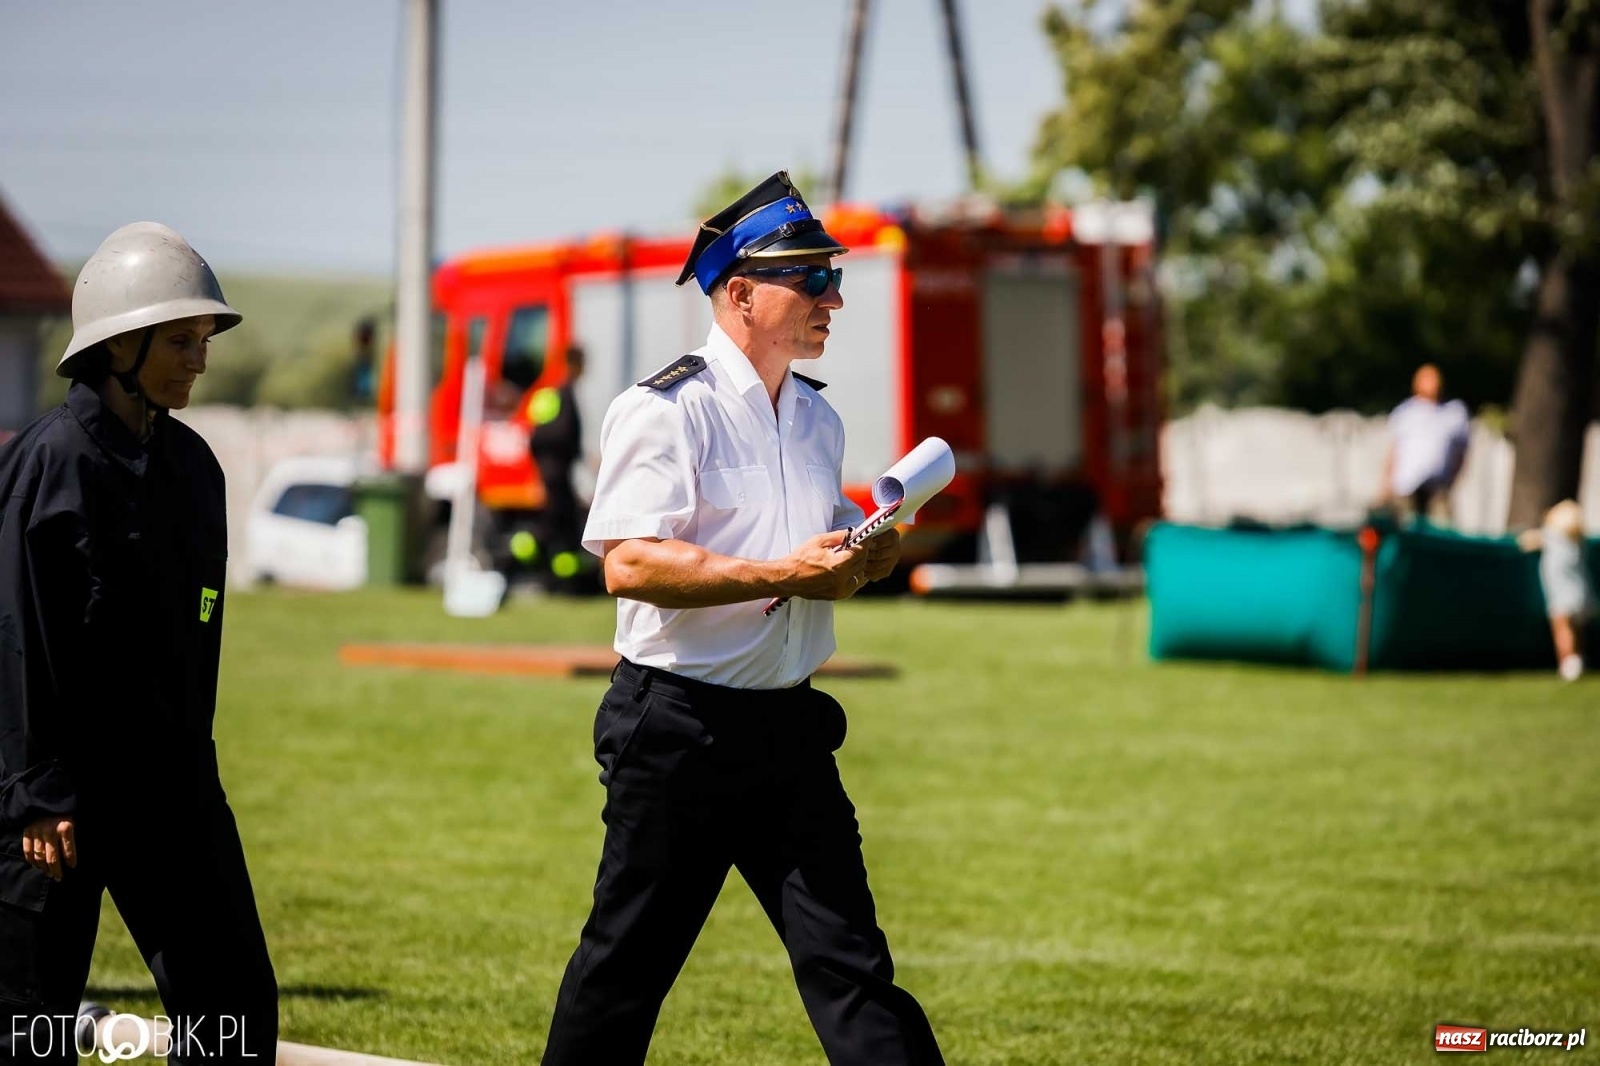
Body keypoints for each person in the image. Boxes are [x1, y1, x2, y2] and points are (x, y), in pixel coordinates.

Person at [541, 172, 943, 1066]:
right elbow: (629, 562)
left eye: (831, 277)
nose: (832, 296)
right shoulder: (662, 409)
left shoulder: (817, 417)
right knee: (623, 974)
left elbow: (816, 551)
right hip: (677, 733)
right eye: (811, 278)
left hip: (789, 733)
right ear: (740, 292)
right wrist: (783, 571)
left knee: (853, 970)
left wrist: (867, 555)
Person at [0, 223, 277, 1063]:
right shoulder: (52, 468)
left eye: (204, 341)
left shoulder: (195, 470)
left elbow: (198, 631)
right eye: (182, 340)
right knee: (29, 1028)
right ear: (120, 344)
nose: (200, 359)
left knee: (234, 1010)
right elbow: (17, 633)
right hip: (55, 806)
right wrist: (38, 793)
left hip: (173, 788)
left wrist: (192, 766)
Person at [526, 345, 587, 590]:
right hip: (555, 474)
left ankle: (559, 581)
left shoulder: (560, 394)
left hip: (556, 472)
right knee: (556, 528)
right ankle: (551, 580)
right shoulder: (561, 395)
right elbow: (554, 434)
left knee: (561, 527)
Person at [1379, 364, 1470, 525]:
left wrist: (1453, 480)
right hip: (1406, 486)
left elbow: (1461, 453)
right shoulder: (1405, 412)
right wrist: (1385, 485)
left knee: (1442, 530)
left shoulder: (1453, 412)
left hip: (1438, 486)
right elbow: (1393, 450)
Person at [1518, 499, 1594, 681]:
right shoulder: (1578, 542)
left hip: (1563, 594)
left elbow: (1525, 541)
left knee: (1562, 629)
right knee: (1576, 630)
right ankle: (1577, 660)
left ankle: (1568, 663)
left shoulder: (1552, 536)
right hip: (1582, 594)